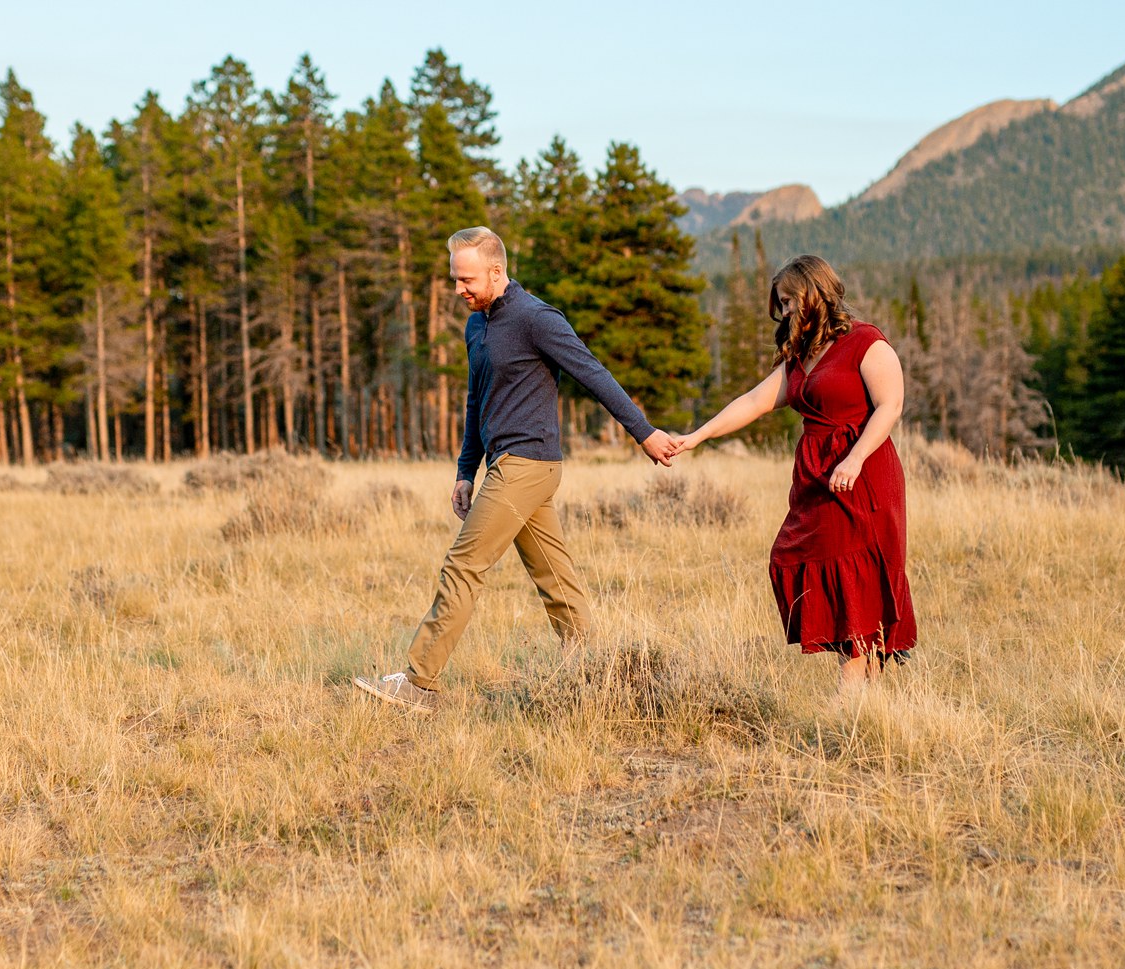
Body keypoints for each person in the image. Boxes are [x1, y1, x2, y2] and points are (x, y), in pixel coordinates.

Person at [353, 226, 678, 715]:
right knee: (556, 580)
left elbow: (593, 373)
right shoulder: (477, 325)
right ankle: (596, 676)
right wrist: (466, 470)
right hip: (508, 464)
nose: (458, 289)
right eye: (454, 279)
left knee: (463, 565)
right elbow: (475, 401)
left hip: (529, 463)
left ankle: (418, 682)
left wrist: (644, 432)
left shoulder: (536, 318)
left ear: (497, 271)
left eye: (467, 279)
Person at [666, 253, 915, 695]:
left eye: (788, 300)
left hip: (863, 477)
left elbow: (890, 405)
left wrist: (854, 459)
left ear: (815, 293)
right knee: (795, 560)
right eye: (779, 304)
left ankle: (853, 696)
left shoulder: (865, 342)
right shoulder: (801, 358)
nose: (784, 312)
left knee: (857, 578)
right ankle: (867, 680)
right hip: (817, 484)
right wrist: (696, 436)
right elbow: (752, 402)